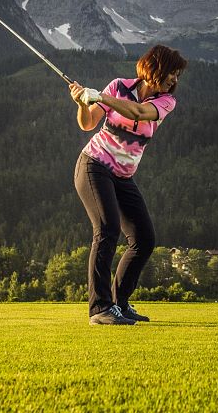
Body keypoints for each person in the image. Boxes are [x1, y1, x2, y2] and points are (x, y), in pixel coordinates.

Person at [68, 44, 187, 325]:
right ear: (156, 68)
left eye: (177, 75)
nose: (174, 79)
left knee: (144, 239)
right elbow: (87, 124)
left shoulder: (166, 101)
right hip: (94, 166)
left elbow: (138, 112)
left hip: (123, 176)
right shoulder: (118, 86)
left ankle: (119, 304)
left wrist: (101, 97)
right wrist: (83, 103)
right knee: (107, 229)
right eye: (172, 73)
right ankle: (100, 309)